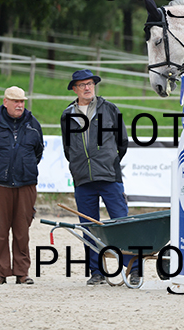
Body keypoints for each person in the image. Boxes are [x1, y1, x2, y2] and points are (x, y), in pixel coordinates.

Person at [60, 69, 139, 286]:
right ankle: (97, 272)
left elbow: (122, 142)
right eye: (82, 84)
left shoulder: (110, 109)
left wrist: (109, 161)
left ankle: (134, 269)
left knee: (121, 224)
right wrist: (79, 166)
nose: (87, 88)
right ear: (74, 89)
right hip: (83, 180)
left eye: (90, 83)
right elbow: (68, 148)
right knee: (89, 228)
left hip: (109, 177)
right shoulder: (67, 115)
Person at [0, 86, 43, 285]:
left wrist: (24, 168)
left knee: (22, 230)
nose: (19, 105)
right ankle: (1, 272)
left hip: (26, 184)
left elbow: (38, 151)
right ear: (5, 102)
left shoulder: (33, 124)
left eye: (22, 101)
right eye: (15, 101)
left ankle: (22, 272)